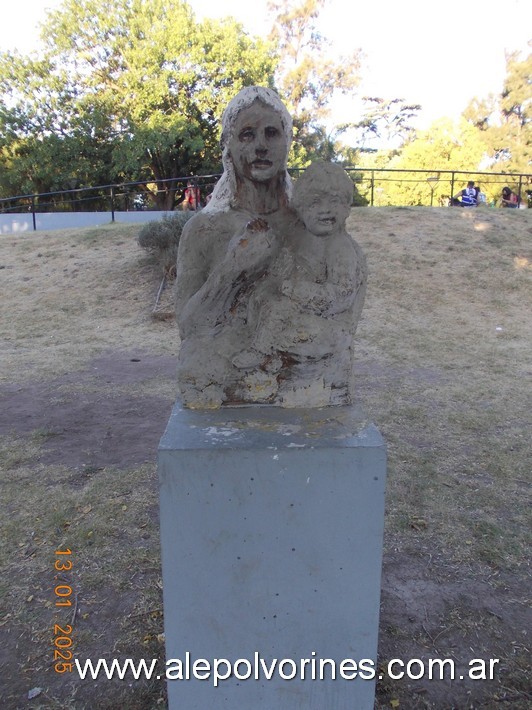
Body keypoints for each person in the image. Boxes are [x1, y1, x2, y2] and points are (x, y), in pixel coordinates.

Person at [174, 86, 295, 408]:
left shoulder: (307, 225)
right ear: (228, 146)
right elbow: (188, 326)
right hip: (221, 376)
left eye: (271, 133)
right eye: (246, 135)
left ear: (287, 142)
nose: (260, 146)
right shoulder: (204, 229)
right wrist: (232, 270)